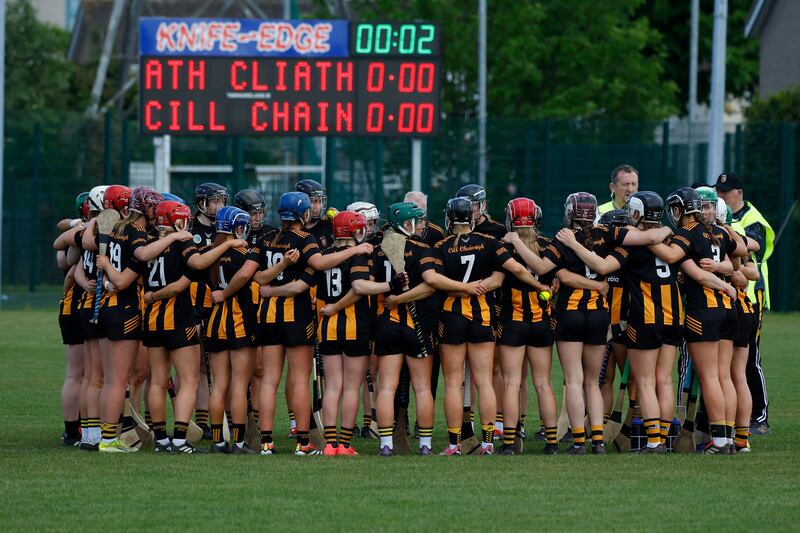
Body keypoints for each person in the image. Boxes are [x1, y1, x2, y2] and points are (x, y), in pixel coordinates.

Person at [217, 192, 370, 455]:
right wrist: (355, 249)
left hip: (266, 317)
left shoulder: (266, 239)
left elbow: (256, 277)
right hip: (296, 317)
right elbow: (319, 263)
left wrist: (269, 282)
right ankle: (302, 443)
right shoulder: (304, 239)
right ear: (303, 214)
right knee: (299, 379)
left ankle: (266, 443)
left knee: (269, 381)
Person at [435, 197, 546, 456]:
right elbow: (513, 271)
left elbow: (434, 280)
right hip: (482, 316)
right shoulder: (490, 243)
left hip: (452, 316)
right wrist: (538, 285)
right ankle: (486, 444)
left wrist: (463, 289)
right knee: (484, 381)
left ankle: (454, 445)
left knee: (453, 383)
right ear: (472, 218)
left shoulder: (441, 246)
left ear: (450, 219)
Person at [373, 202, 480, 456]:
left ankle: (385, 445)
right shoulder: (423, 249)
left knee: (387, 386)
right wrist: (407, 297)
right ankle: (425, 444)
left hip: (387, 323)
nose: (422, 225)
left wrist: (395, 298)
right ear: (406, 224)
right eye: (417, 221)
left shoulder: (379, 251)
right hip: (415, 325)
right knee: (422, 387)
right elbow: (430, 285)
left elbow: (368, 285)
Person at [647, 187, 739, 454]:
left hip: (704, 311)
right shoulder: (718, 231)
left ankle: (720, 442)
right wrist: (725, 276)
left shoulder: (684, 234)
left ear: (679, 209)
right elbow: (738, 257)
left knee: (710, 377)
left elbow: (677, 260)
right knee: (724, 377)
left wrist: (647, 237)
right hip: (727, 312)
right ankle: (729, 439)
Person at [317, 211, 387, 456]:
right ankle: (344, 444)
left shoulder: (324, 255)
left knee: (332, 386)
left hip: (327, 326)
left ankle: (329, 444)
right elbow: (358, 289)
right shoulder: (358, 255)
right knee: (350, 387)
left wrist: (332, 307)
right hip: (355, 326)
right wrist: (338, 306)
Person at [93, 186, 157, 453]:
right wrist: (108, 268)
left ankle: (107, 437)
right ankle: (108, 440)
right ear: (146, 208)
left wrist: (107, 272)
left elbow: (110, 281)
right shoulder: (138, 233)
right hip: (126, 311)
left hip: (107, 308)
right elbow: (121, 280)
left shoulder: (116, 227)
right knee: (119, 381)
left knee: (111, 379)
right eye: (155, 206)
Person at [715, 172, 774, 436]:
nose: (720, 196)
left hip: (751, 295)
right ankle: (736, 416)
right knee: (728, 363)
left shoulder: (752, 218)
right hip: (729, 295)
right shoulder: (722, 217)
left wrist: (727, 229)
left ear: (739, 193)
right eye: (718, 192)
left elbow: (755, 244)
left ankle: (760, 417)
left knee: (750, 358)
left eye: (725, 192)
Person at [141, 201, 204, 453]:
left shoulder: (148, 244)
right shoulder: (183, 243)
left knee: (157, 381)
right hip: (178, 318)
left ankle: (160, 440)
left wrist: (152, 297)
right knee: (188, 381)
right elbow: (180, 285)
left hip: (152, 320)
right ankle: (179, 439)